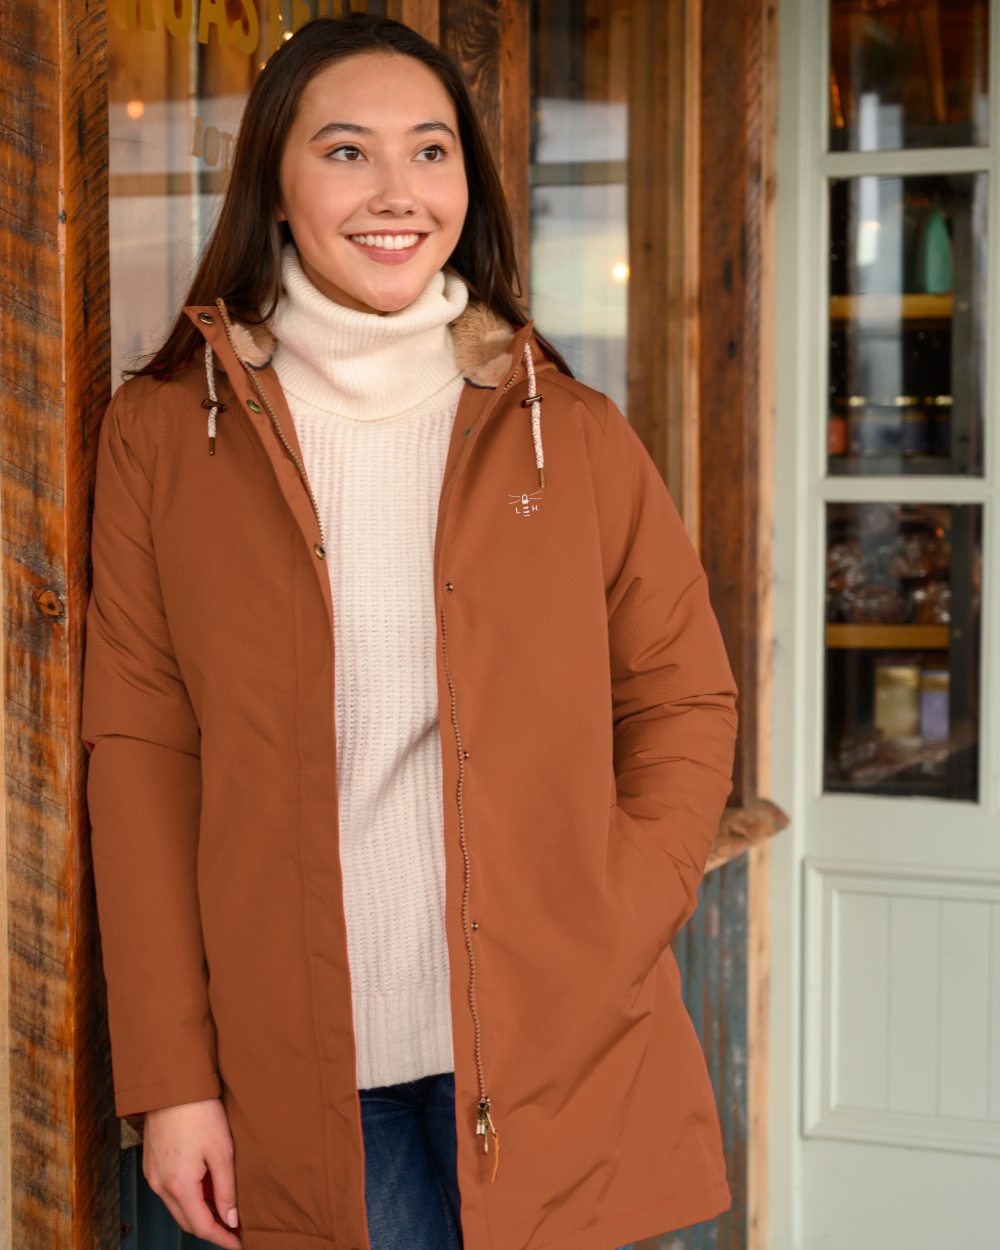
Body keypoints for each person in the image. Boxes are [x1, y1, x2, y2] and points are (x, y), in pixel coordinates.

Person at [81, 13, 739, 1250]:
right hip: (304, 1076)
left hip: (563, 1052)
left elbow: (683, 696)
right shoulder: (166, 437)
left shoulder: (568, 427)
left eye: (429, 151)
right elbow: (142, 754)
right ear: (273, 185)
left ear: (466, 185)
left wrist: (620, 909)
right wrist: (171, 1074)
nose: (397, 192)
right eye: (345, 152)